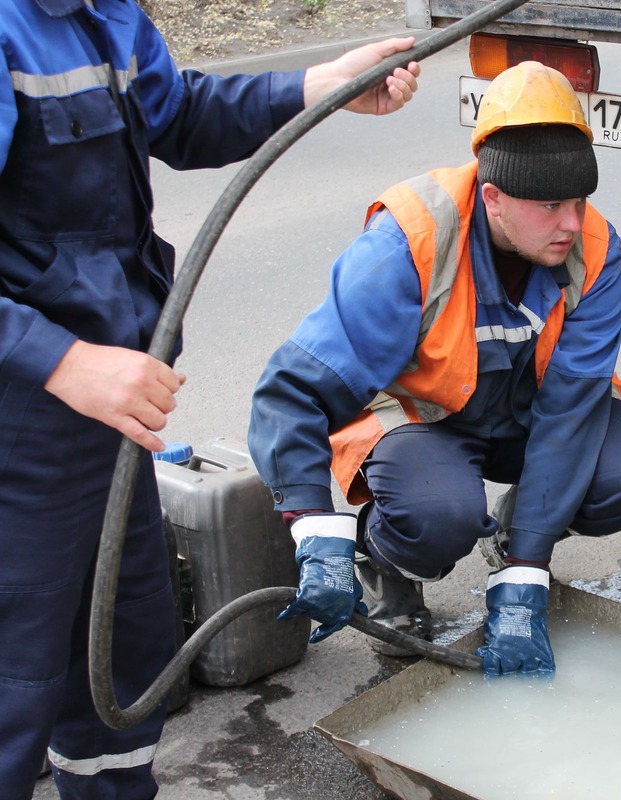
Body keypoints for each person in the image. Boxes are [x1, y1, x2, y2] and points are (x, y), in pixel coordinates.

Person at [0, 0, 421, 795]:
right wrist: (59, 361)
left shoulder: (103, 13)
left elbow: (179, 114)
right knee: (15, 679)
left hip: (107, 412)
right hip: (22, 415)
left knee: (122, 657)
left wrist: (316, 85)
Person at [247, 60, 621, 677]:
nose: (570, 223)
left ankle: (520, 531)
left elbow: (573, 405)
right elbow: (292, 391)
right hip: (426, 425)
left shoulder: (593, 248)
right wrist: (314, 529)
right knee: (439, 517)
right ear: (493, 198)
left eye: (579, 201)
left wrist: (528, 570)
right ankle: (387, 562)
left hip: (530, 419)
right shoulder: (411, 239)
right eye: (550, 204)